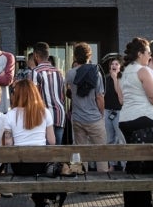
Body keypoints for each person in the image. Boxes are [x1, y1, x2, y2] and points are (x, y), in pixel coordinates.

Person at [118, 37, 153, 207]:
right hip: (144, 119)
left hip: (126, 120)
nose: (150, 56)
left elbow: (122, 98)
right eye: (147, 53)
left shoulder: (124, 72)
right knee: (144, 164)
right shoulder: (143, 71)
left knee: (133, 164)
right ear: (140, 54)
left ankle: (130, 206)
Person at [3, 79, 58, 207]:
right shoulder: (45, 112)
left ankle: (40, 201)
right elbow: (52, 141)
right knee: (43, 168)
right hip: (41, 166)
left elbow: (8, 144)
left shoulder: (10, 115)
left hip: (20, 167)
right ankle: (43, 202)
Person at [65, 42, 108, 172]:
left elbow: (68, 91)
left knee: (79, 151)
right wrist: (101, 114)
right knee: (101, 152)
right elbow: (99, 97)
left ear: (75, 57)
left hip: (77, 117)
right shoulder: (96, 73)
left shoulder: (70, 74)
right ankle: (103, 183)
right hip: (94, 117)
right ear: (89, 55)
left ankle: (81, 180)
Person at [30, 42, 67, 145]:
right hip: (60, 114)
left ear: (36, 55)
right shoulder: (59, 72)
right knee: (57, 151)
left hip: (43, 116)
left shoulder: (36, 72)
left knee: (46, 153)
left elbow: (34, 97)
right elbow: (62, 96)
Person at [102, 53, 125, 170]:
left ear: (120, 67)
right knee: (110, 139)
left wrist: (115, 78)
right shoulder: (105, 79)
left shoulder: (121, 78)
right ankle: (112, 164)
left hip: (119, 112)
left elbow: (119, 94)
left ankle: (124, 164)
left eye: (116, 64)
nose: (114, 65)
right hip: (107, 111)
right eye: (112, 64)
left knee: (121, 139)